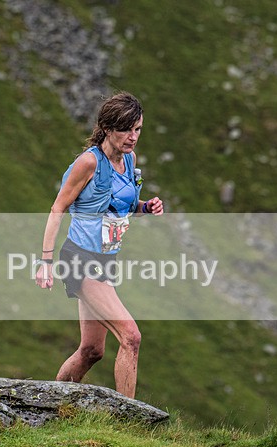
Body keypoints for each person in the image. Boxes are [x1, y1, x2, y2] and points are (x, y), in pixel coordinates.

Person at [35, 92, 164, 399]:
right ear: (108, 128)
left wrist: (146, 207)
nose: (133, 137)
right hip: (80, 260)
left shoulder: (129, 160)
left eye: (138, 129)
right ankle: (131, 423)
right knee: (131, 336)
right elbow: (57, 209)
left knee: (92, 350)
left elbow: (122, 206)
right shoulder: (89, 163)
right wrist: (46, 262)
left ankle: (53, 403)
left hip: (105, 262)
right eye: (126, 130)